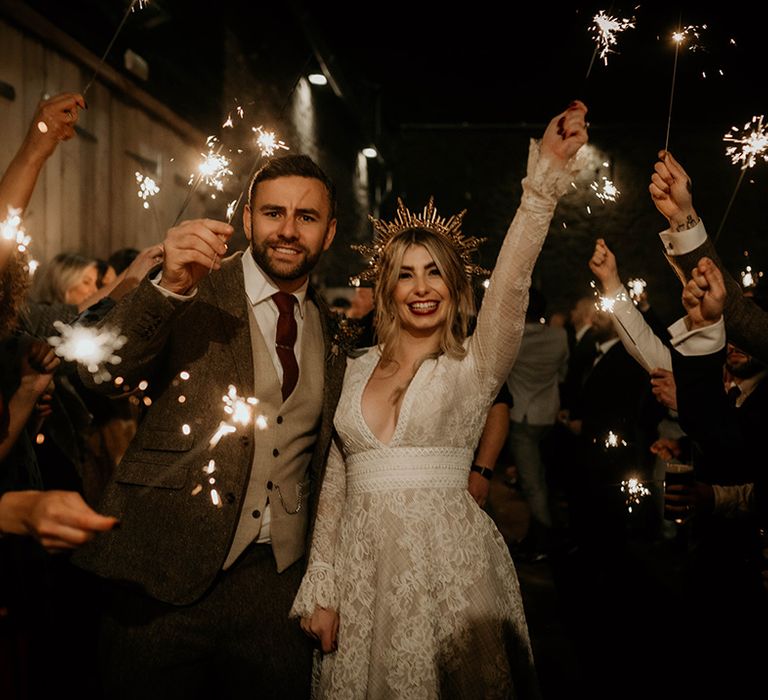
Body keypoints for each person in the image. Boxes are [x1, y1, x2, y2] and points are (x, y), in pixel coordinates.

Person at [291, 100, 588, 698]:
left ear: (454, 288)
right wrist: (322, 582)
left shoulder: (474, 368)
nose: (421, 288)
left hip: (454, 576)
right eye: (405, 274)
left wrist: (542, 188)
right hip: (364, 579)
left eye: (434, 273)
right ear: (386, 288)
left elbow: (511, 281)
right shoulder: (350, 369)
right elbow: (335, 483)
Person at [70, 154, 348, 698]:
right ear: (246, 219)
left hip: (277, 584)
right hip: (159, 573)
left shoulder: (333, 331)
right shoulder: (192, 285)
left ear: (330, 231)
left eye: (307, 217)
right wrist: (167, 287)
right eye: (273, 213)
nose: (288, 230)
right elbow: (102, 376)